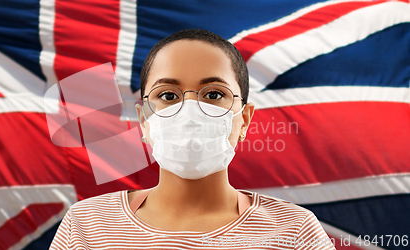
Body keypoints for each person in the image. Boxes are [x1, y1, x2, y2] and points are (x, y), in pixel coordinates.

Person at [50, 29, 335, 249]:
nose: (188, 112)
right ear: (143, 120)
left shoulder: (294, 231)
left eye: (213, 95)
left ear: (245, 119)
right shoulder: (88, 226)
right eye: (168, 96)